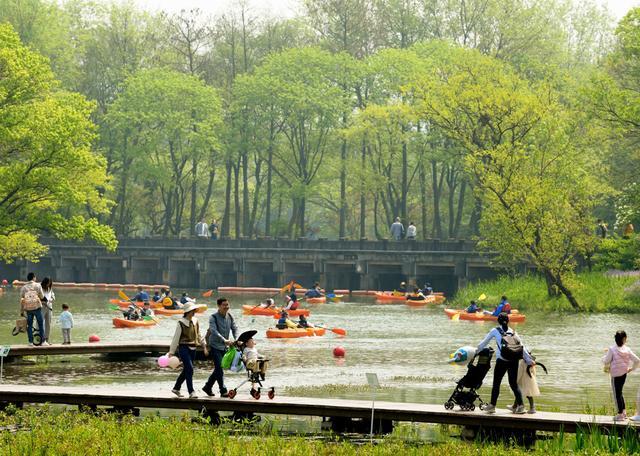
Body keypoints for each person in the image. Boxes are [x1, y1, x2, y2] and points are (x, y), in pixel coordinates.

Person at [477, 313, 534, 414]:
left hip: (502, 361)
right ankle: (521, 407)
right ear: (508, 321)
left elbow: (483, 343)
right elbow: (522, 347)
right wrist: (529, 360)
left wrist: (476, 351)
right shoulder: (513, 332)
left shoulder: (495, 330)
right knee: (513, 384)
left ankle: (492, 406)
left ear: (498, 321)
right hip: (514, 361)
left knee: (496, 384)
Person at [167, 303, 208, 398]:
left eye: (194, 310)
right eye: (191, 311)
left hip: (194, 348)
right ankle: (191, 391)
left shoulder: (195, 321)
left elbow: (199, 334)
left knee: (187, 370)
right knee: (190, 368)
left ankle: (176, 388)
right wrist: (171, 352)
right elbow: (175, 338)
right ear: (187, 312)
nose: (193, 312)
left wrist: (204, 345)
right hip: (183, 348)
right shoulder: (181, 322)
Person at [203, 298, 238, 398]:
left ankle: (207, 386)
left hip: (224, 347)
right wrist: (224, 340)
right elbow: (214, 331)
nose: (227, 307)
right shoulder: (213, 317)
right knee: (219, 368)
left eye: (227, 304)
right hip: (214, 345)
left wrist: (237, 338)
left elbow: (235, 328)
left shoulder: (230, 316)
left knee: (220, 367)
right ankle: (223, 390)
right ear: (219, 306)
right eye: (224, 305)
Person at [602, 330, 640, 421]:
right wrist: (631, 369)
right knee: (620, 393)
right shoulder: (627, 349)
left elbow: (606, 361)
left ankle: (620, 415)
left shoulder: (612, 349)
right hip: (624, 374)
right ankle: (623, 412)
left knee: (617, 394)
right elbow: (637, 360)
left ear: (615, 339)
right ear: (624, 339)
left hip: (615, 375)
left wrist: (604, 356)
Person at [20, 272, 47, 347]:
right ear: (34, 277)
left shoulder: (24, 287)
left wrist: (22, 311)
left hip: (28, 308)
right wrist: (45, 300)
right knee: (40, 324)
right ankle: (43, 341)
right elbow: (42, 296)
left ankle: (30, 342)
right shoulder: (38, 285)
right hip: (37, 307)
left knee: (29, 325)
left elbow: (22, 298)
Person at [40, 277, 55, 344]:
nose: (48, 285)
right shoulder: (40, 288)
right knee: (40, 323)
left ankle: (47, 339)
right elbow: (37, 298)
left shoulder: (50, 289)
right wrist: (43, 302)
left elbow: (53, 297)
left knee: (48, 323)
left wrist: (51, 300)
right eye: (48, 283)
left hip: (49, 307)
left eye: (50, 283)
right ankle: (40, 339)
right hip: (42, 307)